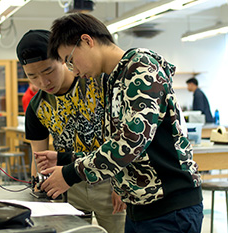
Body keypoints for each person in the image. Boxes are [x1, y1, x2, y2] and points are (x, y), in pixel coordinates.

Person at [36, 13, 203, 233]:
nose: (74, 71)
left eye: (70, 60)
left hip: (169, 209)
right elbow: (113, 144)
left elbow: (131, 142)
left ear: (87, 40)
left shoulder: (141, 67)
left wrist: (70, 174)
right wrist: (66, 158)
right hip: (140, 210)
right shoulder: (112, 82)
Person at [16, 29, 126, 233]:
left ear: (62, 59)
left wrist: (123, 183)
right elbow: (38, 158)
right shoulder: (37, 107)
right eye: (33, 76)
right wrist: (38, 188)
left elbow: (124, 138)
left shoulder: (94, 80)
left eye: (48, 71)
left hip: (110, 182)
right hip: (68, 183)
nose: (43, 82)